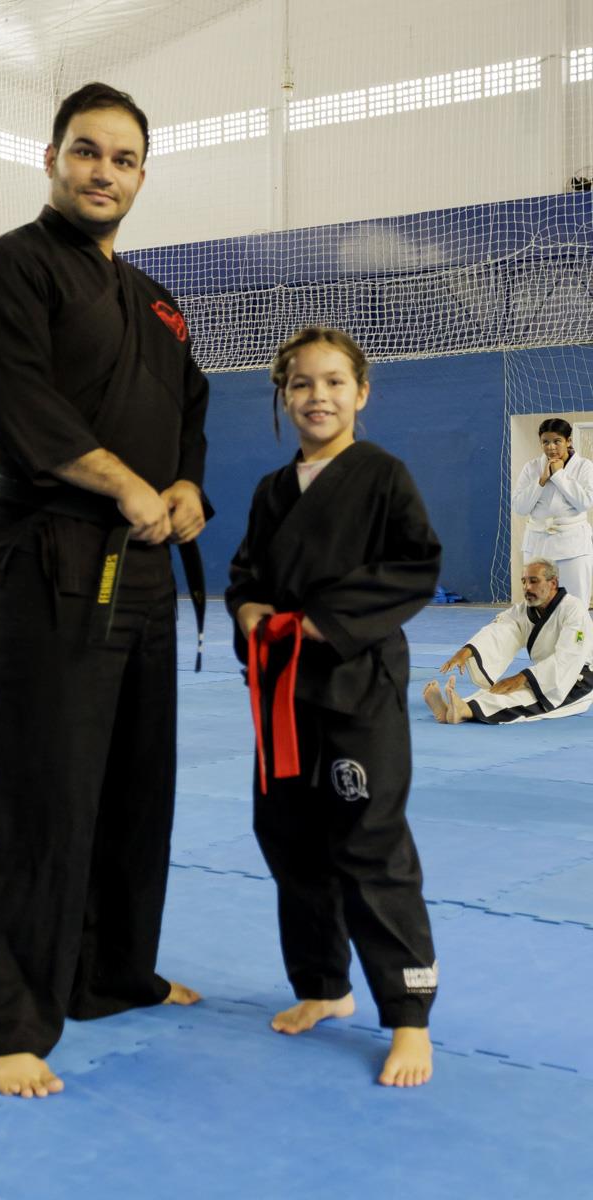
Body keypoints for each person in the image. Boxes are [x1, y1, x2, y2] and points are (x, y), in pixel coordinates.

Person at [0, 83, 208, 1098]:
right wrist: (125, 483)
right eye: (87, 151)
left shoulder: (155, 298)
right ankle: (2, 1023)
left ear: (142, 174)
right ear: (51, 157)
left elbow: (190, 405)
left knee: (135, 784)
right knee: (38, 788)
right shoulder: (6, 269)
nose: (105, 171)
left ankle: (109, 973)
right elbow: (17, 400)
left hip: (142, 562)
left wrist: (185, 486)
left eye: (124, 158)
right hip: (47, 555)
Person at [225, 327, 441, 1088]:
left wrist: (327, 620)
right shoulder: (272, 490)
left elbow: (417, 565)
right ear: (284, 397)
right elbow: (246, 573)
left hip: (357, 689)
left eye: (334, 382)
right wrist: (248, 608)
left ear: (361, 392)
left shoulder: (383, 475)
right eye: (301, 384)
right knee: (287, 835)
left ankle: (408, 1014)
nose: (318, 396)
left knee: (368, 841)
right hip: (284, 693)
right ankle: (323, 985)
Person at [424, 559, 593, 724]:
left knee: (524, 698)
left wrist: (522, 678)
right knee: (498, 690)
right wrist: (467, 651)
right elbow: (500, 630)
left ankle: (464, 712)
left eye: (534, 581)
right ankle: (454, 709)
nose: (527, 587)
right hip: (543, 675)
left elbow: (570, 657)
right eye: (524, 582)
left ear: (553, 583)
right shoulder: (524, 610)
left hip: (577, 681)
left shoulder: (573, 609)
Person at [512, 418, 593, 606]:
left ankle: (576, 628)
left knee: (575, 602)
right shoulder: (532, 468)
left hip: (573, 545)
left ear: (568, 441)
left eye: (557, 441)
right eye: (545, 442)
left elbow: (584, 502)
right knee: (538, 601)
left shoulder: (585, 466)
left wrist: (559, 475)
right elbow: (520, 507)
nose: (551, 447)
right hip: (537, 543)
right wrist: (541, 481)